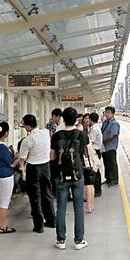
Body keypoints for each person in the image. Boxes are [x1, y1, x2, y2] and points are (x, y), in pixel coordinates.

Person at [51, 107, 88, 250]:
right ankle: (79, 241)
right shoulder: (81, 135)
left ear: (63, 119)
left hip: (60, 176)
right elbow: (85, 153)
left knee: (61, 207)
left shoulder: (56, 135)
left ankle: (61, 240)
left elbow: (52, 156)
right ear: (76, 119)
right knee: (79, 207)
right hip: (77, 174)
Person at [13, 114, 55, 233]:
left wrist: (16, 163)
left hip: (33, 168)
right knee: (47, 193)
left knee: (35, 197)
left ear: (26, 126)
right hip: (46, 167)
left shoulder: (28, 140)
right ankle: (52, 220)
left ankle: (39, 225)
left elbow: (22, 158)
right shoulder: (46, 133)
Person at [0, 122, 17, 234]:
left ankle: (0, 225)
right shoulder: (2, 147)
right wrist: (19, 159)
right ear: (5, 133)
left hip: (0, 175)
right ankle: (3, 226)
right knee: (4, 202)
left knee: (0, 201)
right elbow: (11, 164)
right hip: (7, 176)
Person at [101, 106, 120, 187]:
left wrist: (101, 140)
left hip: (111, 147)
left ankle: (114, 180)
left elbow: (112, 136)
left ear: (112, 114)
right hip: (104, 148)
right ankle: (108, 179)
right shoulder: (105, 122)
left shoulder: (114, 124)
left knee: (112, 164)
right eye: (106, 112)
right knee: (106, 164)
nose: (106, 114)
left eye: (108, 113)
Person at [87, 113, 104, 197]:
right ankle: (97, 189)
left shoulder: (94, 129)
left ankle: (97, 190)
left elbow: (90, 141)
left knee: (95, 171)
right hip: (96, 150)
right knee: (96, 171)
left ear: (90, 119)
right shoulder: (96, 128)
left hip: (95, 151)